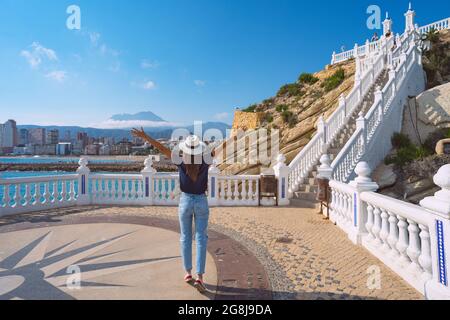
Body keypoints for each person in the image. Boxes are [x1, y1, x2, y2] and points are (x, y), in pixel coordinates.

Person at [132, 128, 216, 294]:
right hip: (201, 201)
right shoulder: (205, 162)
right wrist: (235, 136)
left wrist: (146, 136)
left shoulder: (181, 161)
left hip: (185, 201)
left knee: (185, 237)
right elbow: (222, 148)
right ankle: (200, 277)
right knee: (201, 238)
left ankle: (188, 273)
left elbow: (161, 149)